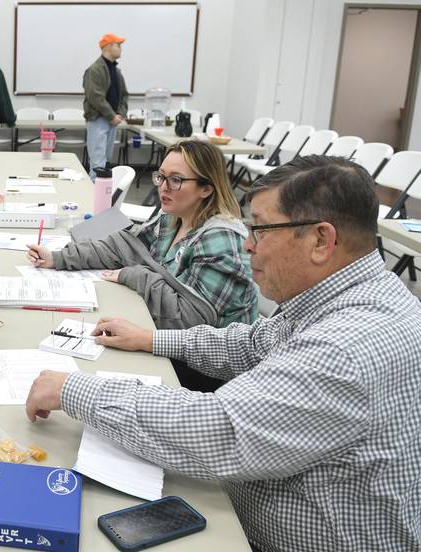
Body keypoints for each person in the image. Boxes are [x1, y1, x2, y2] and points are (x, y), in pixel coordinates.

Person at [25, 155, 421, 551]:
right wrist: (151, 339)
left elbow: (216, 430)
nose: (247, 245)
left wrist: (74, 391)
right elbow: (249, 344)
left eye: (261, 231)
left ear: (320, 240)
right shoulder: (351, 295)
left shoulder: (344, 345)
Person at [27, 141, 256, 330]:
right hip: (165, 335)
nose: (163, 187)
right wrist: (57, 258)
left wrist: (134, 275)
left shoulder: (221, 241)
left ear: (207, 189)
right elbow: (121, 247)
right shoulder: (172, 218)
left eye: (176, 180)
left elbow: (190, 323)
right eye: (161, 177)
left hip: (202, 369)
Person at [83, 33, 128, 180]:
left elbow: (124, 95)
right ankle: (92, 199)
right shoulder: (95, 70)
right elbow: (95, 96)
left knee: (106, 162)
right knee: (98, 164)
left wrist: (120, 114)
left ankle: (102, 198)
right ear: (108, 46)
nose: (121, 48)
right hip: (99, 120)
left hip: (112, 120)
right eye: (118, 45)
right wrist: (112, 116)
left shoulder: (116, 71)